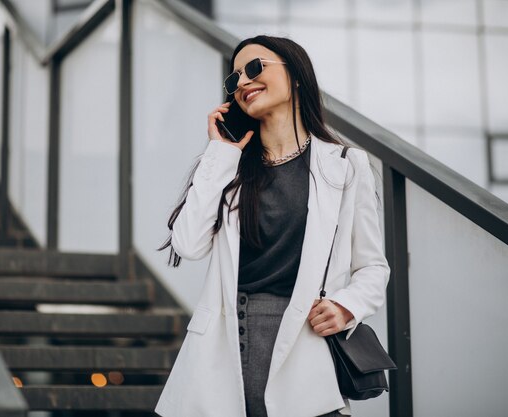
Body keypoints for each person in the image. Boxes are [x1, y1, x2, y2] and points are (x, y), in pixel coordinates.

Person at [155, 35, 390, 417]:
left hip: (306, 343)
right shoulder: (228, 166)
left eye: (254, 68)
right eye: (234, 80)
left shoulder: (346, 165)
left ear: (296, 75)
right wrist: (220, 152)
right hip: (225, 344)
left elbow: (372, 267)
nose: (243, 82)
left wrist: (347, 306)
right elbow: (187, 243)